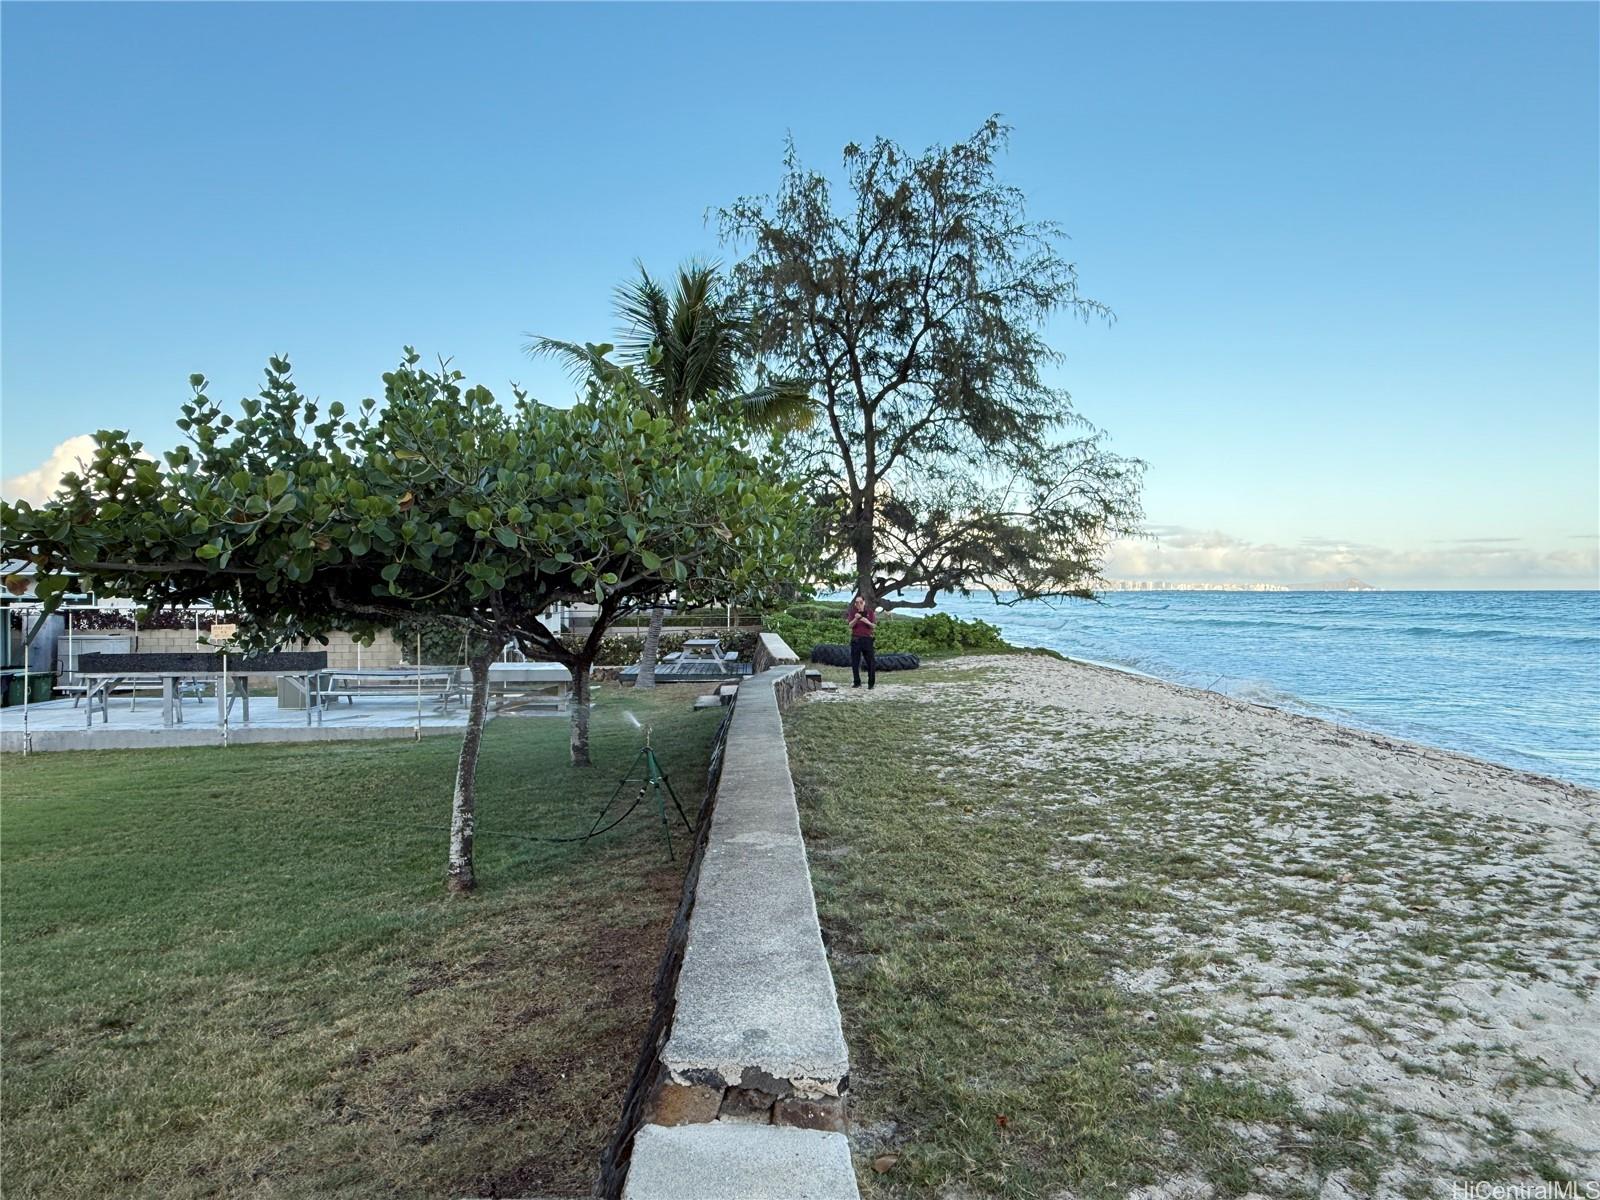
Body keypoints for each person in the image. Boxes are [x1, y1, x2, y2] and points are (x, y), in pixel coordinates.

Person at [847, 594, 877, 689]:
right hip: (856, 639)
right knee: (855, 662)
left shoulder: (870, 612)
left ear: (864, 602)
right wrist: (856, 618)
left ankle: (871, 683)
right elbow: (850, 625)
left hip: (867, 640)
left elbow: (873, 626)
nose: (858, 604)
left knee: (870, 662)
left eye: (860, 602)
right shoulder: (853, 612)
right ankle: (857, 682)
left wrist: (865, 620)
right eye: (856, 602)